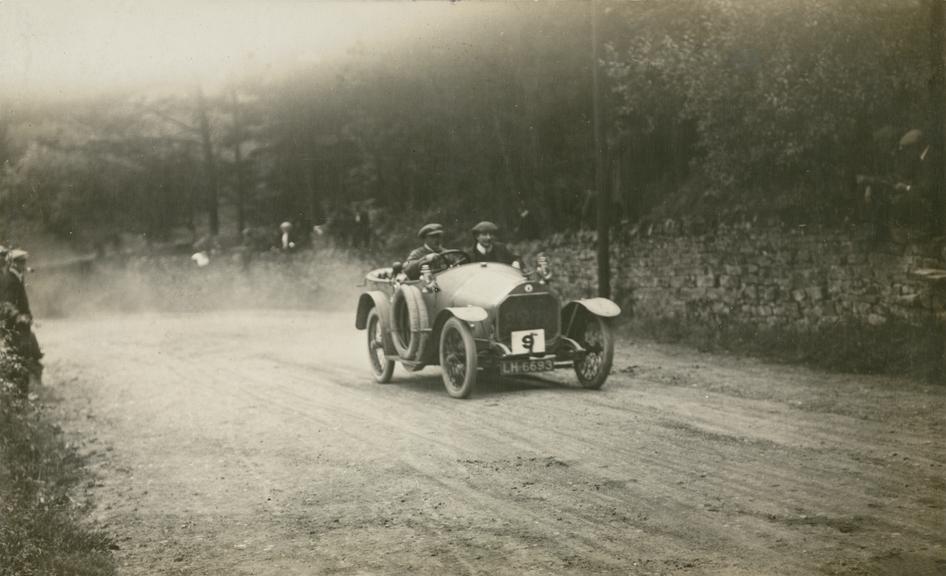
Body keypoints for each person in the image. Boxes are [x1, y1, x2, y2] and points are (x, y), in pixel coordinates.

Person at [0, 249, 43, 370]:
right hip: (13, 322)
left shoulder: (17, 276)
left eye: (24, 262)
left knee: (28, 348)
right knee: (20, 351)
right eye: (20, 262)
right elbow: (6, 302)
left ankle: (33, 378)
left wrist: (27, 315)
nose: (23, 265)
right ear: (13, 263)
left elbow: (23, 301)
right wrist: (18, 316)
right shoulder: (9, 279)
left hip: (21, 320)